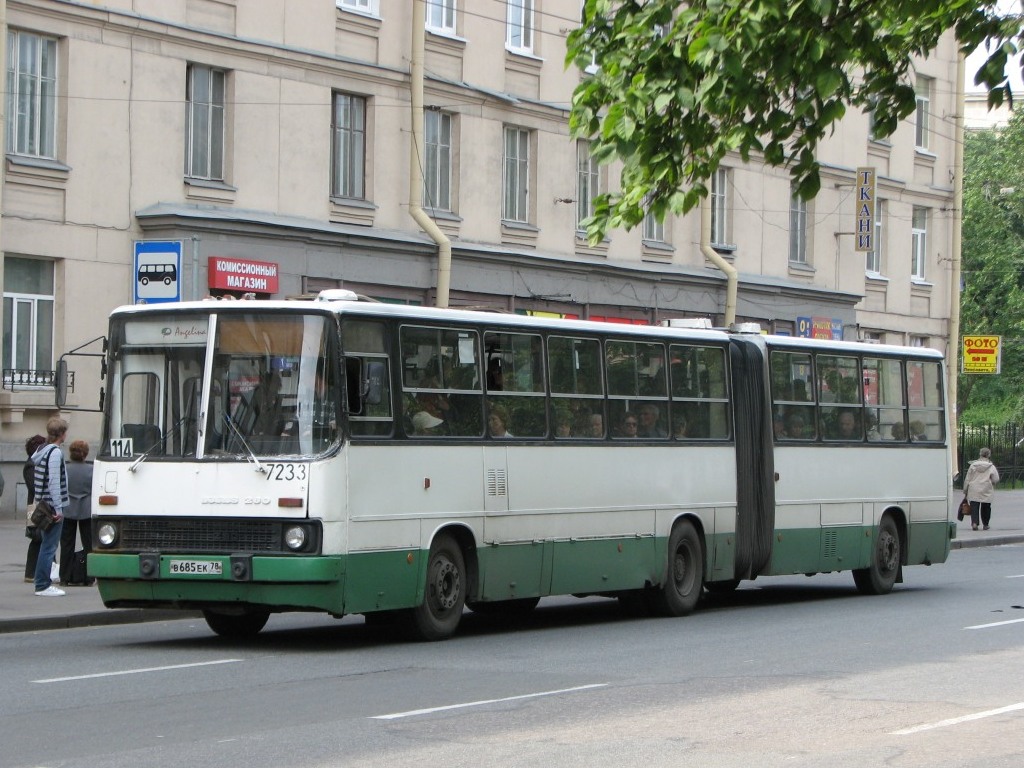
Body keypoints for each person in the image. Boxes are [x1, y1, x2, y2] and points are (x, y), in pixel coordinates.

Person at [32, 417, 69, 597]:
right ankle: (43, 585)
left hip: (44, 504)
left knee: (45, 546)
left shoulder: (41, 450)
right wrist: (59, 509)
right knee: (49, 547)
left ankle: (41, 583)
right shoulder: (55, 453)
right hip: (52, 506)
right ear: (61, 434)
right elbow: (54, 482)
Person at [60, 439, 94, 586]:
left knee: (67, 544)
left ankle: (65, 576)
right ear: (85, 454)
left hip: (67, 508)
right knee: (89, 544)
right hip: (86, 509)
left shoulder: (65, 469)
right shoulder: (91, 469)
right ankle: (89, 575)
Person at [23, 434, 47, 583]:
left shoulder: (36, 463)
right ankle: (31, 572)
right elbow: (34, 486)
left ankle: (46, 569)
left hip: (40, 505)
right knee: (37, 537)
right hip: (35, 506)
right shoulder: (31, 465)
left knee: (44, 537)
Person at [964, 447, 1000, 531]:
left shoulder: (973, 465)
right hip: (986, 488)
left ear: (980, 454)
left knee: (974, 506)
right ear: (989, 455)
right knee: (986, 506)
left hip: (974, 488)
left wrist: (965, 490)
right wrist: (992, 481)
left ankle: (974, 523)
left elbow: (967, 479)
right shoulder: (991, 466)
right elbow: (996, 479)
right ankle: (986, 524)